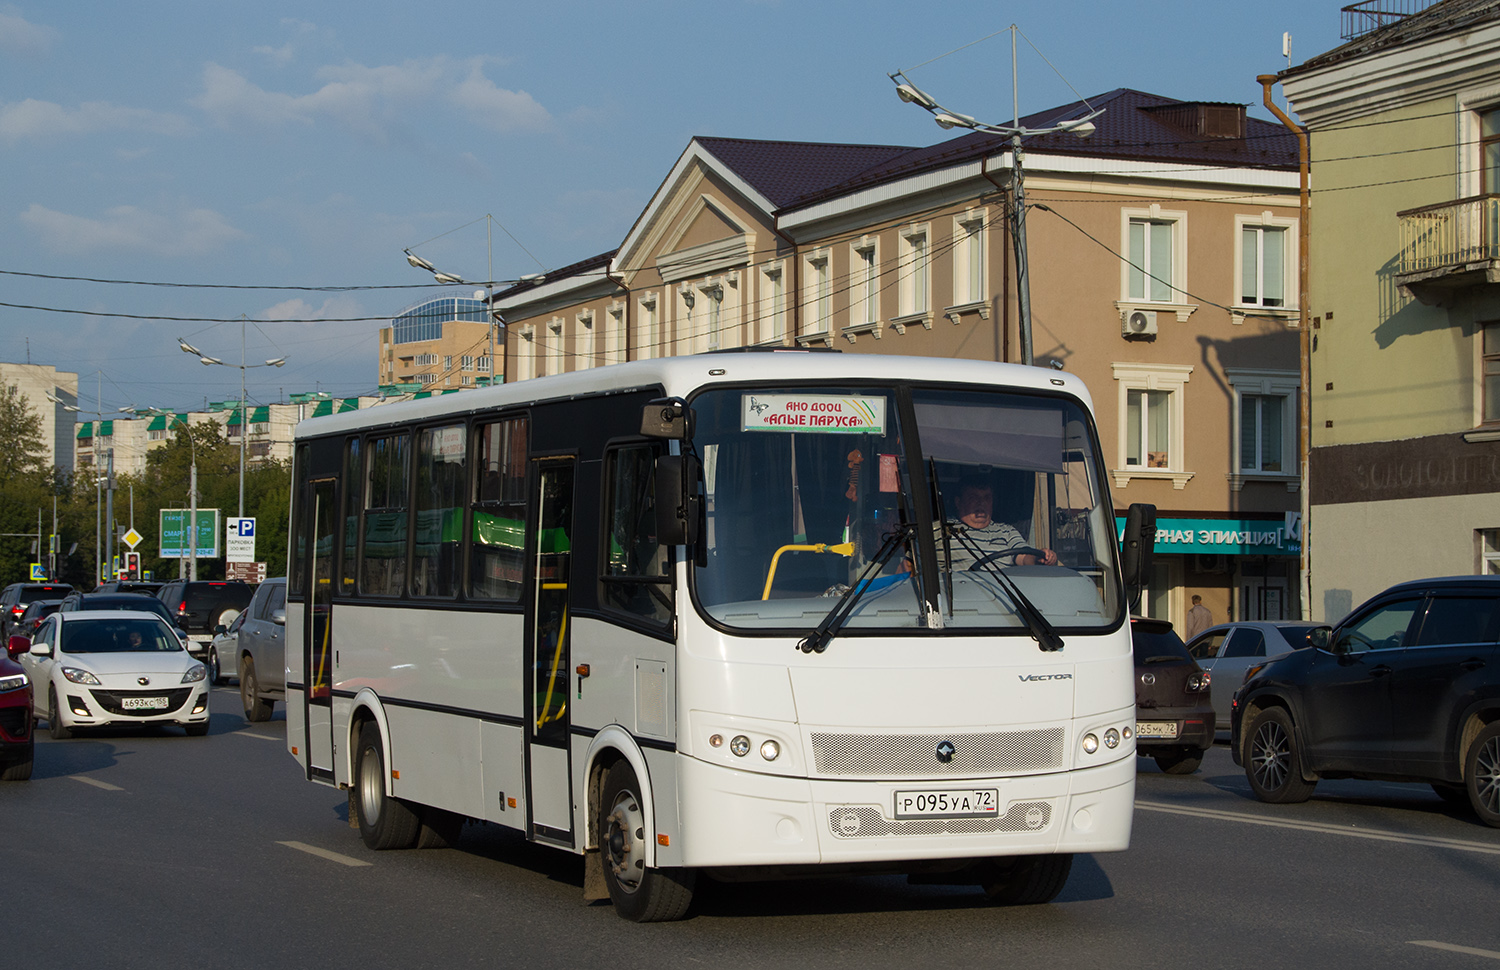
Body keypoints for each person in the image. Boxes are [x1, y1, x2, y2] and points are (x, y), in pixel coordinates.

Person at [944, 483, 1057, 570]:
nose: (981, 503)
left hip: (1004, 590)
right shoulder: (942, 529)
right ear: (958, 502)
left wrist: (1039, 558)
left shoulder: (1006, 531)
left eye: (987, 498)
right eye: (974, 498)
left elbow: (1023, 557)